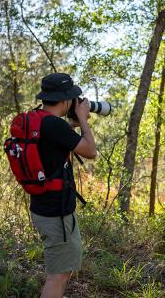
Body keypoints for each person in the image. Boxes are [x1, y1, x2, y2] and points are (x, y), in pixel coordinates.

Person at [31, 73, 97, 298]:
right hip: (56, 214)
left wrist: (72, 125)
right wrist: (84, 121)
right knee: (58, 275)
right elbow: (91, 152)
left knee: (59, 272)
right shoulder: (55, 126)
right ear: (64, 100)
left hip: (44, 207)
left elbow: (54, 144)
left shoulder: (39, 119)